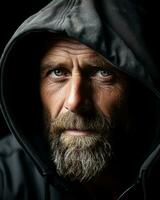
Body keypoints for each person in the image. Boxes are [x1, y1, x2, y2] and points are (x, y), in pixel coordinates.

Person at [0, 0, 160, 199]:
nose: (74, 102)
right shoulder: (5, 177)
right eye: (58, 72)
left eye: (103, 73)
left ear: (141, 88)